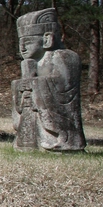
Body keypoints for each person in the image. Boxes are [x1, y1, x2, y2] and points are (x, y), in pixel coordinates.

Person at [14, 8, 85, 152]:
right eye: (20, 42)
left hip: (56, 107)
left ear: (47, 39)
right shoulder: (30, 62)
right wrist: (23, 83)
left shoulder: (64, 56)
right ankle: (28, 141)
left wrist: (34, 83)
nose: (22, 47)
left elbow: (63, 87)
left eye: (27, 41)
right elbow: (23, 87)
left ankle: (66, 140)